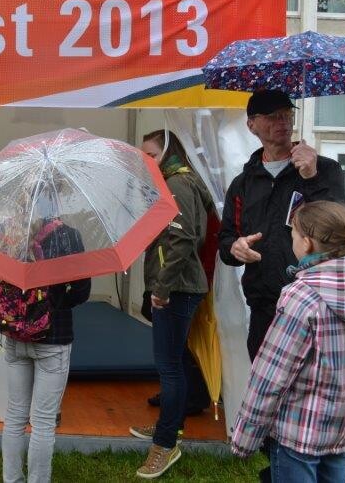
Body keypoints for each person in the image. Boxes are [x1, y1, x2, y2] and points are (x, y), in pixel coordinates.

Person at [231, 201, 345, 482]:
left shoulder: (301, 296)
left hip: (297, 433)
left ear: (307, 242)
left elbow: (270, 376)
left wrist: (245, 438)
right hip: (340, 429)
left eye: (293, 235)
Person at [218, 90, 345, 360]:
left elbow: (337, 232)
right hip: (263, 307)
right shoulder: (243, 183)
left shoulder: (325, 170)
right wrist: (235, 248)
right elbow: (226, 239)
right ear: (251, 124)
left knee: (307, 384)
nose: (283, 122)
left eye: (288, 115)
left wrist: (311, 178)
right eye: (273, 116)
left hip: (313, 305)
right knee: (262, 382)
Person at [131, 130, 214, 479]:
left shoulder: (178, 184)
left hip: (177, 288)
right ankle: (171, 424)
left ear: (167, 152)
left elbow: (183, 239)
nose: (146, 161)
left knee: (169, 366)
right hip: (180, 286)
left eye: (151, 155)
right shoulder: (177, 181)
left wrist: (162, 288)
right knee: (176, 361)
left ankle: (165, 445)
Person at [0, 216, 91, 483]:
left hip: (15, 335)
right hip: (54, 336)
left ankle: (11, 479)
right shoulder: (68, 235)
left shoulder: (7, 230)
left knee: (15, 416)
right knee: (43, 422)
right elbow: (82, 292)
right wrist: (55, 304)